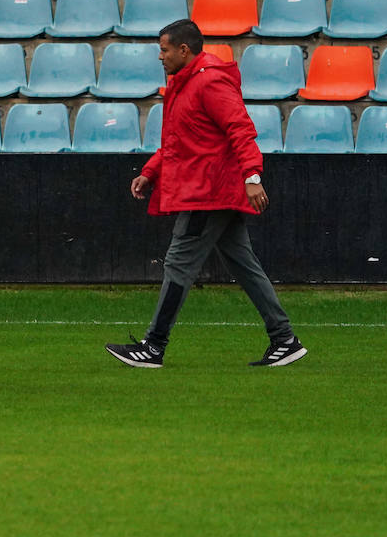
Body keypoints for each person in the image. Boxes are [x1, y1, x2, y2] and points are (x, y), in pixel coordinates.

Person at [106, 19, 307, 369]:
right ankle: (284, 339)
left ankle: (153, 347)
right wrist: (151, 172)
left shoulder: (209, 82)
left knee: (178, 266)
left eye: (164, 49)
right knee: (244, 265)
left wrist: (253, 175)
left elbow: (240, 128)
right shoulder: (187, 83)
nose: (160, 56)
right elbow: (181, 140)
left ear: (184, 50)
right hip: (211, 189)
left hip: (208, 191)